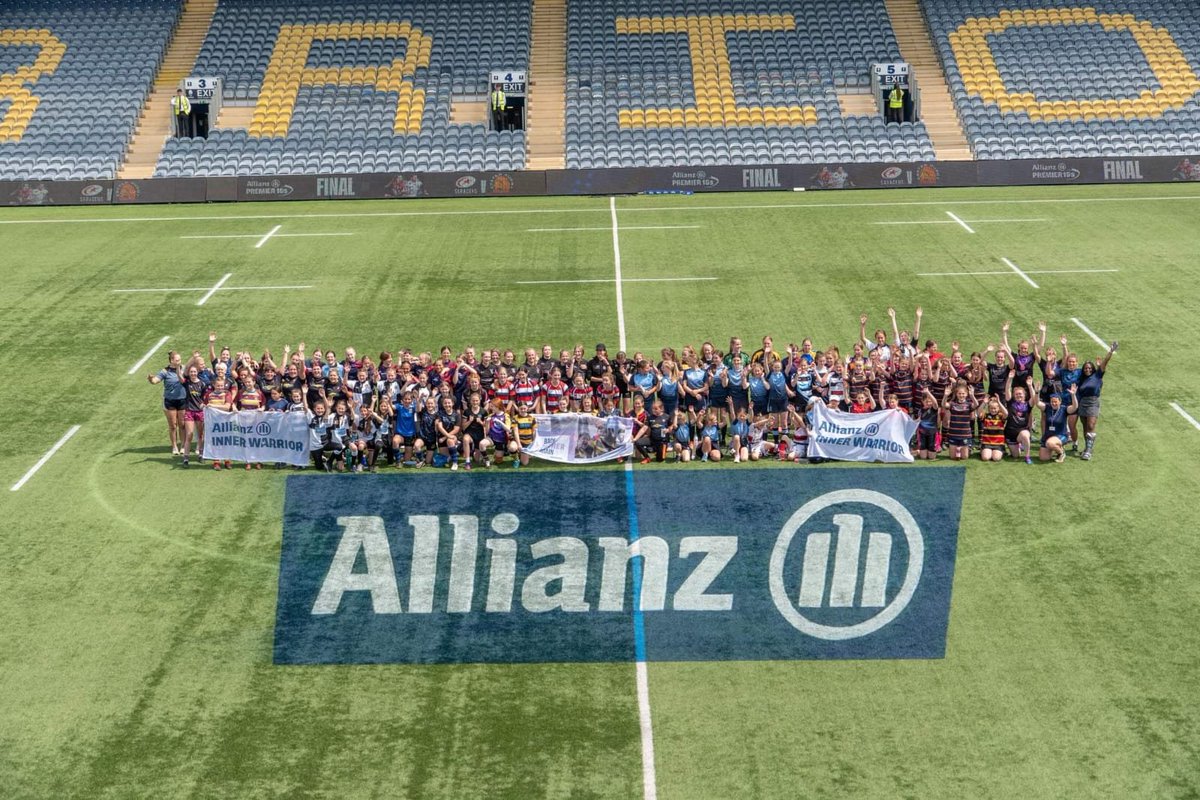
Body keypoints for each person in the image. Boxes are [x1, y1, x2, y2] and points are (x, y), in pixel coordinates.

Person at [1076, 342, 1116, 460]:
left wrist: (1111, 351)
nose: (1087, 370)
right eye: (1085, 368)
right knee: (1084, 427)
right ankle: (1087, 448)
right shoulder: (1081, 379)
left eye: (1089, 368)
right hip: (1082, 402)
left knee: (1091, 425)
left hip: (1093, 402)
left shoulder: (1098, 375)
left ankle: (1088, 451)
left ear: (1093, 369)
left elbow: (1105, 363)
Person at [148, 351, 187, 455]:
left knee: (182, 425)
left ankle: (183, 446)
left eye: (180, 359)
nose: (179, 361)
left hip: (183, 400)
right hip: (170, 401)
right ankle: (174, 446)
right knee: (173, 425)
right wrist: (151, 379)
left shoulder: (184, 368)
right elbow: (155, 381)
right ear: (172, 361)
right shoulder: (165, 371)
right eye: (177, 360)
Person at [1038, 385, 1078, 463]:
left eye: (1055, 401)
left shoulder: (1064, 409)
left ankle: (1061, 453)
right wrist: (1037, 392)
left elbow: (1075, 407)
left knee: (1050, 443)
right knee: (1044, 458)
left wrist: (1073, 395)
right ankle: (1055, 448)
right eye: (1052, 401)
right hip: (1048, 436)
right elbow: (1037, 403)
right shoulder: (1048, 408)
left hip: (1061, 435)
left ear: (1060, 402)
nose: (1054, 403)